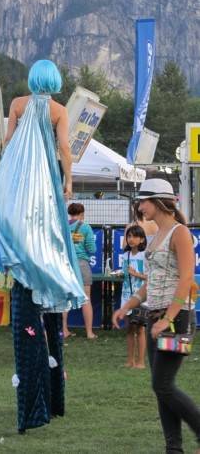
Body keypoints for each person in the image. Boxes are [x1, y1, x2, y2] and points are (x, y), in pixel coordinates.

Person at [0, 59, 86, 433]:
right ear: (55, 81)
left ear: (32, 80)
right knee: (48, 233)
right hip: (44, 185)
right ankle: (48, 272)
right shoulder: (59, 111)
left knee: (21, 231)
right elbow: (64, 148)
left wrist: (11, 170)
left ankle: (27, 267)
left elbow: (8, 141)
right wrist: (69, 179)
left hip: (18, 186)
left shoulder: (17, 104)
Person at [113, 178, 200, 454]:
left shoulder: (180, 233)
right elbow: (152, 282)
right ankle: (173, 449)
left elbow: (186, 279)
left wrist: (168, 318)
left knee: (162, 385)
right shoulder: (156, 235)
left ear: (159, 201)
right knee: (162, 388)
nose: (140, 207)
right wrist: (129, 305)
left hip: (177, 318)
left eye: (143, 201)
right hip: (155, 316)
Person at [63, 202, 97, 339]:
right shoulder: (85, 227)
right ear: (82, 213)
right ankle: (89, 332)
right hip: (82, 264)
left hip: (65, 265)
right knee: (86, 299)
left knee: (65, 299)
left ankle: (64, 330)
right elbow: (92, 249)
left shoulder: (63, 226)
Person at [120, 225, 147, 368]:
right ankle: (130, 360)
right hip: (126, 297)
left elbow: (150, 277)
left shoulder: (145, 255)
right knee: (129, 329)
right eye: (129, 236)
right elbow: (125, 274)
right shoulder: (125, 255)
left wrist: (136, 274)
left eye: (135, 236)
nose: (131, 239)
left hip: (141, 298)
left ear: (142, 239)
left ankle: (141, 361)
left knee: (140, 329)